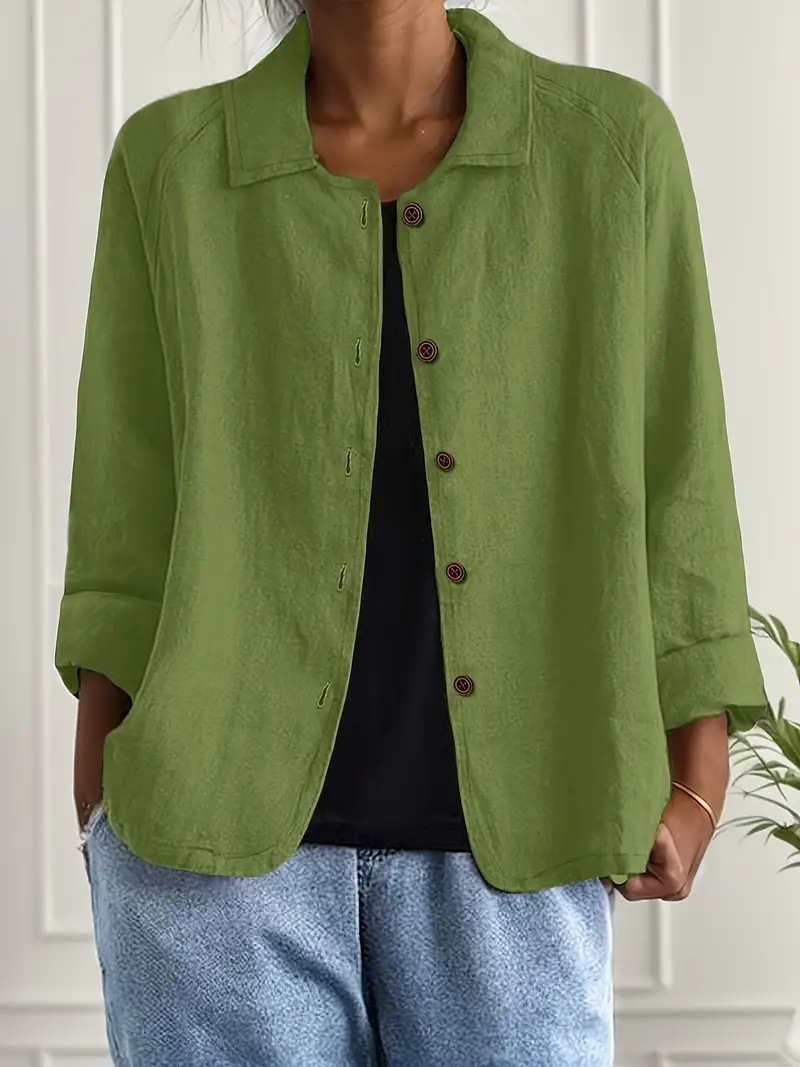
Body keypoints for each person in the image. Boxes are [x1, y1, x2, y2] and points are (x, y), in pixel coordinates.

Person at [56, 0, 768, 1064]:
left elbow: (680, 482)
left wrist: (697, 781)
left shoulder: (612, 150)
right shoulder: (173, 165)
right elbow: (126, 517)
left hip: (519, 856)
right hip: (206, 873)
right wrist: (103, 817)